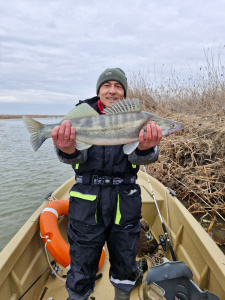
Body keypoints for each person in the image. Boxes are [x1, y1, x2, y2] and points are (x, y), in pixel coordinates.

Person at [51, 68, 163, 300]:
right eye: (107, 85)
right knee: (81, 265)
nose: (112, 90)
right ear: (99, 90)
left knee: (125, 260)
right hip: (86, 202)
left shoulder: (140, 120)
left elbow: (145, 157)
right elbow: (70, 157)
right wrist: (67, 149)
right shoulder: (81, 116)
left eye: (118, 86)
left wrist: (145, 148)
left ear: (124, 93)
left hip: (125, 201)